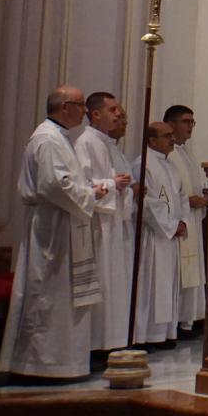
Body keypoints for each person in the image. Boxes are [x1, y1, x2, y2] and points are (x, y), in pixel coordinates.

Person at [0, 85, 108, 381]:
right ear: (65, 107)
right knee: (49, 293)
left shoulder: (59, 137)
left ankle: (65, 361)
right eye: (81, 105)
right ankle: (40, 364)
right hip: (52, 230)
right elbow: (54, 185)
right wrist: (91, 193)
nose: (85, 111)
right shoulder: (48, 139)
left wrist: (87, 191)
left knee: (64, 295)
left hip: (64, 224)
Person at [74, 91, 135, 360]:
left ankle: (112, 341)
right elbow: (82, 186)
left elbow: (123, 183)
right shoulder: (86, 142)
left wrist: (122, 186)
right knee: (103, 283)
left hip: (114, 223)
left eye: (119, 109)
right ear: (95, 114)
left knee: (115, 284)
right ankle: (97, 343)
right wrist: (113, 184)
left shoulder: (110, 145)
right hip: (99, 226)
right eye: (113, 109)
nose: (119, 114)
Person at [134, 121, 188, 348]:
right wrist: (170, 225)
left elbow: (181, 197)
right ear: (152, 141)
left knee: (168, 285)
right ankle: (146, 335)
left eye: (172, 135)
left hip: (170, 234)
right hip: (153, 236)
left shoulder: (170, 166)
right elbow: (145, 202)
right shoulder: (142, 164)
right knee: (151, 284)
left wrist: (182, 222)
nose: (172, 139)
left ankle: (165, 333)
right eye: (167, 136)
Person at [164, 104, 208, 335]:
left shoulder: (186, 152)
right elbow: (168, 189)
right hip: (178, 221)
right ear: (171, 124)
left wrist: (203, 195)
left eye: (192, 122)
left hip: (192, 220)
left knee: (191, 269)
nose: (190, 126)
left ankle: (188, 319)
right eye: (186, 121)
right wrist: (189, 201)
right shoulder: (166, 152)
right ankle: (179, 321)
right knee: (179, 273)